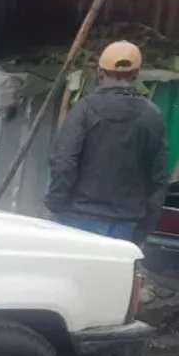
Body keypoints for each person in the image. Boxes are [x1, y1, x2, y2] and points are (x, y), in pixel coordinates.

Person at [45, 40, 170, 242]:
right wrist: (146, 226)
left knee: (72, 274)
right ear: (137, 74)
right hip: (126, 225)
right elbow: (158, 178)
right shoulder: (152, 116)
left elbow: (64, 162)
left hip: (77, 220)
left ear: (99, 72)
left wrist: (55, 204)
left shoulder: (83, 110)